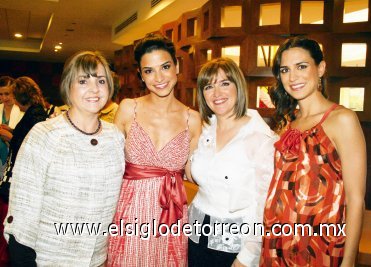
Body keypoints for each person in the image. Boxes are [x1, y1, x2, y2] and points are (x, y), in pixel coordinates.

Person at [4, 51, 125, 266]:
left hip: (97, 259)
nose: (94, 89)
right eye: (83, 80)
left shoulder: (115, 137)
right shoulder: (45, 134)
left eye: (101, 80)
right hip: (48, 258)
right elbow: (23, 209)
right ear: (68, 86)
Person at [260, 37, 366, 267]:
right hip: (276, 242)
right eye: (285, 70)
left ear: (321, 68)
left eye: (302, 66)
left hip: (321, 246)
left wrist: (349, 262)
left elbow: (356, 200)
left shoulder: (342, 120)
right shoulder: (286, 124)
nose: (293, 77)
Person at [107, 33, 202, 266]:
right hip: (129, 213)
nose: (159, 77)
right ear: (141, 75)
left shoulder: (194, 119)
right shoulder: (129, 109)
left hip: (172, 217)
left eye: (165, 67)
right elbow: (107, 166)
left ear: (177, 66)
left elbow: (195, 174)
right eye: (149, 71)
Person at [187, 57, 277, 267]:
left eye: (225, 83)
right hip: (195, 233)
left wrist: (248, 256)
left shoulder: (260, 138)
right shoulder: (204, 131)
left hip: (236, 242)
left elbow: (264, 206)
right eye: (209, 86)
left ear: (239, 86)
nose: (217, 93)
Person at [0, 76, 48, 266]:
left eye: (10, 95)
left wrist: (8, 136)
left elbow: (26, 146)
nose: (7, 98)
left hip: (25, 181)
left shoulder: (36, 116)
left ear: (20, 97)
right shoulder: (35, 114)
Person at [0, 76, 24, 168]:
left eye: (7, 94)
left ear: (15, 93)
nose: (4, 97)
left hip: (15, 160)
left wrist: (10, 133)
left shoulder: (23, 111)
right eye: (0, 94)